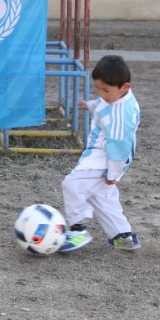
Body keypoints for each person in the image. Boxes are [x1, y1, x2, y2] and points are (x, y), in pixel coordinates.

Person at [58, 55, 142, 253]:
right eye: (98, 88)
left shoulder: (122, 113)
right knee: (102, 197)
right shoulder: (115, 97)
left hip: (105, 157)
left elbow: (119, 146)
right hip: (104, 156)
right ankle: (123, 236)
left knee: (72, 184)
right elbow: (104, 104)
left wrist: (113, 173)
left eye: (106, 90)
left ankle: (78, 229)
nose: (102, 94)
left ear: (125, 87)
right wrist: (90, 105)